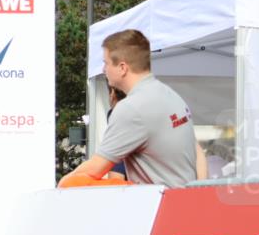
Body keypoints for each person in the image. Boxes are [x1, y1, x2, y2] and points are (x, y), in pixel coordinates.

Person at [60, 29, 205, 188]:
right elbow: (198, 152)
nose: (103, 70)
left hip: (159, 207)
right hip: (181, 201)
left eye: (106, 63)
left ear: (122, 68)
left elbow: (94, 170)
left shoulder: (132, 108)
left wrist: (62, 184)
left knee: (72, 183)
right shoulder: (172, 96)